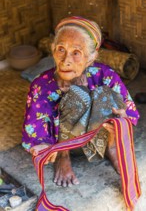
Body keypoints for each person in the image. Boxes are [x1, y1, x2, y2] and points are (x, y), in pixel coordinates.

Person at [22, 16, 140, 188]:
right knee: (73, 96)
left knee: (107, 95)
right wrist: (42, 148)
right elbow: (36, 132)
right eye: (61, 49)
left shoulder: (104, 74)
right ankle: (64, 158)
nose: (66, 60)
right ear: (53, 49)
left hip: (99, 140)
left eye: (76, 53)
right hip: (64, 145)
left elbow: (128, 113)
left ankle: (111, 149)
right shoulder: (41, 85)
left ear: (91, 57)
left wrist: (121, 122)